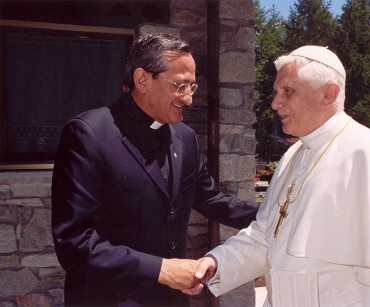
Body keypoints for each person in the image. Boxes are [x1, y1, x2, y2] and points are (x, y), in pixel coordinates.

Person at [186, 45, 370, 306]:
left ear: (329, 94)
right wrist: (217, 262)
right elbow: (265, 234)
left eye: (288, 91)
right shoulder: (293, 155)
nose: (275, 103)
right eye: (276, 92)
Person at [51, 33, 258, 306]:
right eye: (180, 86)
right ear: (142, 80)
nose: (188, 99)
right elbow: (74, 244)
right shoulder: (88, 134)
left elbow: (212, 201)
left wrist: (277, 215)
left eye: (192, 88)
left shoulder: (184, 137)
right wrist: (161, 270)